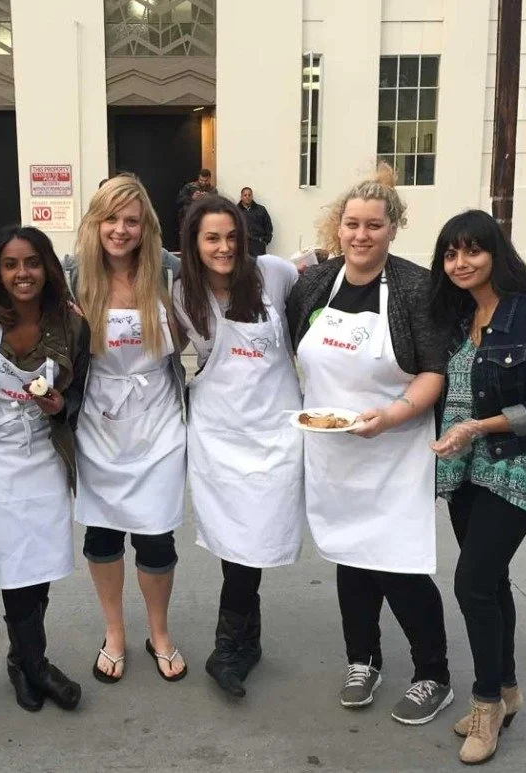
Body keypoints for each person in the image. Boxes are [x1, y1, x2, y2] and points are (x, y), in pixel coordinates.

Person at [286, 164, 454, 726]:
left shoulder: (413, 286)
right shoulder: (317, 282)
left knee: (400, 565)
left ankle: (434, 674)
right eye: (352, 225)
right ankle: (364, 661)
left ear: (392, 229)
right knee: (350, 558)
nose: (361, 236)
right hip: (332, 448)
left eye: (373, 226)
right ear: (340, 227)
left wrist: (392, 416)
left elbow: (434, 371)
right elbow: (294, 345)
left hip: (395, 447)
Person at [428, 209, 526, 765]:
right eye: (450, 254)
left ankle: (487, 706)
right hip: (464, 474)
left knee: (472, 585)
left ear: (496, 253)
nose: (461, 263)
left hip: (514, 471)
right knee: (492, 584)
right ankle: (509, 689)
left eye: (472, 251)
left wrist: (478, 426)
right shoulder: (457, 315)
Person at [173, 195, 303, 698]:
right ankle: (231, 648)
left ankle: (242, 643)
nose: (223, 247)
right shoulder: (184, 292)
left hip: (274, 429)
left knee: (258, 537)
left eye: (231, 237)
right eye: (212, 238)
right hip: (220, 433)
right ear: (194, 243)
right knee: (236, 543)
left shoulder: (273, 274)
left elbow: (318, 296)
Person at [65, 174, 189, 684]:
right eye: (110, 219)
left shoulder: (169, 271)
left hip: (158, 414)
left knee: (157, 535)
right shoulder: (73, 276)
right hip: (97, 416)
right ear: (95, 222)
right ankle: (114, 632)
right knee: (103, 531)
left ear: (146, 226)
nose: (120, 230)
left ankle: (158, 632)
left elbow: (226, 289)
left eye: (131, 220)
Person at [0, 225, 90, 712]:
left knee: (38, 565)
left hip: (46, 457)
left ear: (48, 268)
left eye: (33, 263)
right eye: (11, 265)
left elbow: (82, 391)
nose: (23, 274)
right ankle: (36, 666)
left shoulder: (70, 324)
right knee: (14, 565)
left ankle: (23, 660)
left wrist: (60, 407)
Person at [238, 187, 274, 257]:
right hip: (242, 245)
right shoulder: (236, 211)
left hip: (258, 245)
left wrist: (265, 241)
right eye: (245, 195)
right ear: (241, 197)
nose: (247, 197)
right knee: (244, 267)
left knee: (258, 266)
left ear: (252, 196)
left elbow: (268, 226)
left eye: (249, 195)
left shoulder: (261, 209)